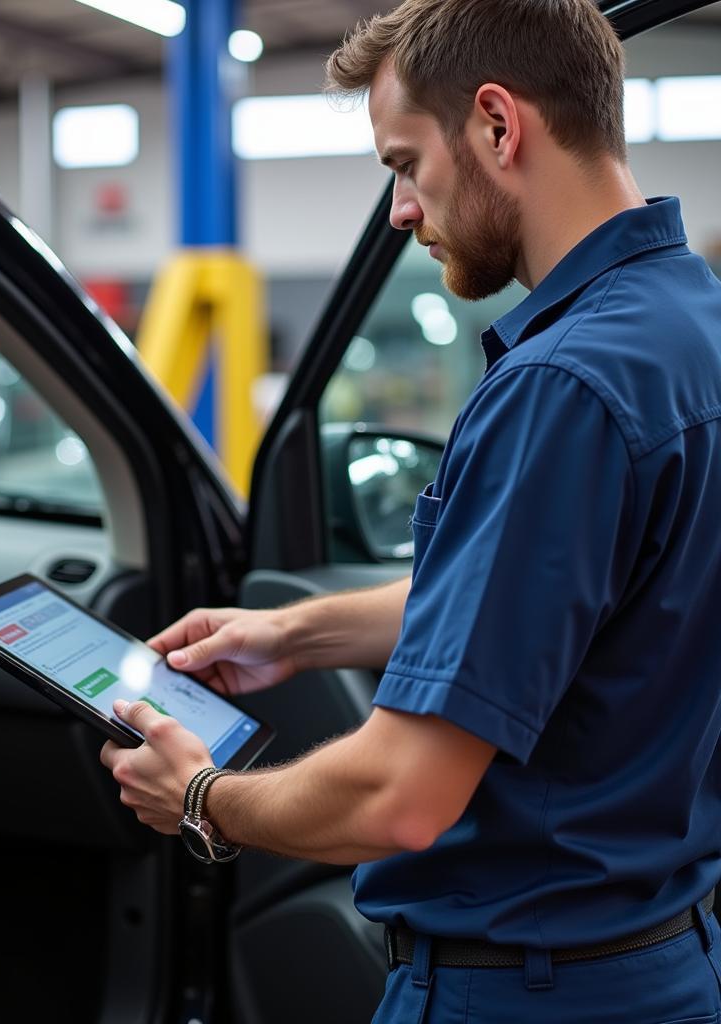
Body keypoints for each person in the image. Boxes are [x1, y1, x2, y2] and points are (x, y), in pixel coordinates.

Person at [100, 0, 721, 1019]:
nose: (400, 209)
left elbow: (403, 794)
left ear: (494, 123)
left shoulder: (561, 386)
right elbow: (551, 595)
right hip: (662, 962)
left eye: (403, 164)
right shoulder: (684, 321)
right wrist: (295, 631)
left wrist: (204, 798)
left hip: (526, 991)